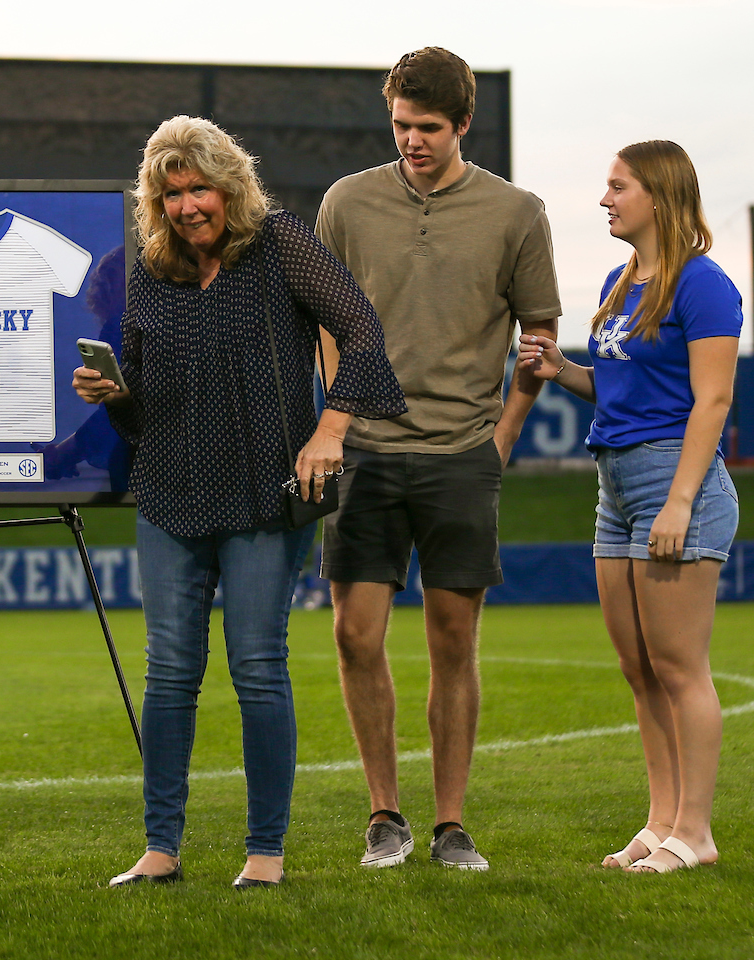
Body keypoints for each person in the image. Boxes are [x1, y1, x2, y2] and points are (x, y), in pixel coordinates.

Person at [74, 115, 404, 889]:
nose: (188, 206)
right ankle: (161, 848)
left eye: (200, 189)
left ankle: (265, 851)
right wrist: (114, 392)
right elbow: (143, 401)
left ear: (230, 186)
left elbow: (362, 333)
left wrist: (330, 429)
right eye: (172, 194)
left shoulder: (281, 243)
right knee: (169, 673)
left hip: (263, 493)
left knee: (257, 666)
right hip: (168, 492)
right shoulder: (151, 270)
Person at [315, 47, 561, 870]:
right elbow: (326, 317)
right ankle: (384, 815)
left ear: (463, 124)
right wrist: (337, 417)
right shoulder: (347, 201)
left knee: (454, 640)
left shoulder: (517, 212)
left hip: (461, 454)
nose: (412, 140)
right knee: (355, 635)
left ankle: (451, 824)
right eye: (400, 125)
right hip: (366, 451)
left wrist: (502, 437)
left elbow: (539, 339)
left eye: (427, 126)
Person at [518, 141, 740, 874]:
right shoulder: (620, 280)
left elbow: (713, 400)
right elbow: (617, 389)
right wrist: (562, 371)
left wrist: (679, 502)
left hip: (674, 483)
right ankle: (661, 820)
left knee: (680, 667)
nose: (605, 200)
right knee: (639, 667)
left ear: (659, 194)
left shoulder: (703, 283)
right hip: (613, 485)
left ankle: (695, 833)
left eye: (618, 187)